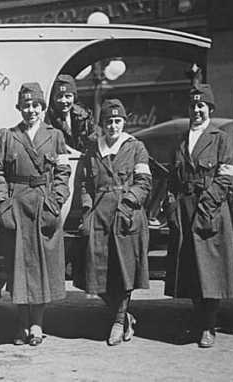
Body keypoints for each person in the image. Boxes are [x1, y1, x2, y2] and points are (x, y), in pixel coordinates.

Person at [0, 82, 71, 346]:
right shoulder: (9, 136)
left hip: (44, 206)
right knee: (18, 268)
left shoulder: (55, 135)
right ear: (19, 107)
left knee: (42, 268)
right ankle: (21, 323)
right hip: (17, 207)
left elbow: (63, 173)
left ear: (42, 107)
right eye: (26, 105)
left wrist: (56, 202)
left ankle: (37, 324)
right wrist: (3, 204)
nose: (31, 110)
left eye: (35, 105)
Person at [164, 84, 233, 348]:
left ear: (210, 109)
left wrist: (206, 207)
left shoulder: (220, 137)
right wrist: (172, 207)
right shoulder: (183, 139)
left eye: (201, 106)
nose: (196, 110)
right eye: (193, 106)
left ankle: (209, 326)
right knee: (191, 270)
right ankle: (197, 320)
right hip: (185, 210)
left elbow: (226, 177)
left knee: (210, 270)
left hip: (209, 209)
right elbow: (173, 179)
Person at [74, 98, 151, 346]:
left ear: (123, 123)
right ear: (102, 124)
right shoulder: (92, 149)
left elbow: (143, 183)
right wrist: (87, 210)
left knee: (124, 270)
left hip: (126, 215)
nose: (113, 127)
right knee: (97, 270)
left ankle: (118, 322)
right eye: (109, 122)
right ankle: (125, 317)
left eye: (118, 121)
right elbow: (84, 183)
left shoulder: (136, 147)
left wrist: (128, 205)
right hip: (99, 214)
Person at [45, 74, 95, 153]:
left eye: (68, 96)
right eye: (59, 96)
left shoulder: (84, 116)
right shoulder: (48, 118)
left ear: (74, 97)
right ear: (53, 98)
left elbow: (92, 139)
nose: (63, 101)